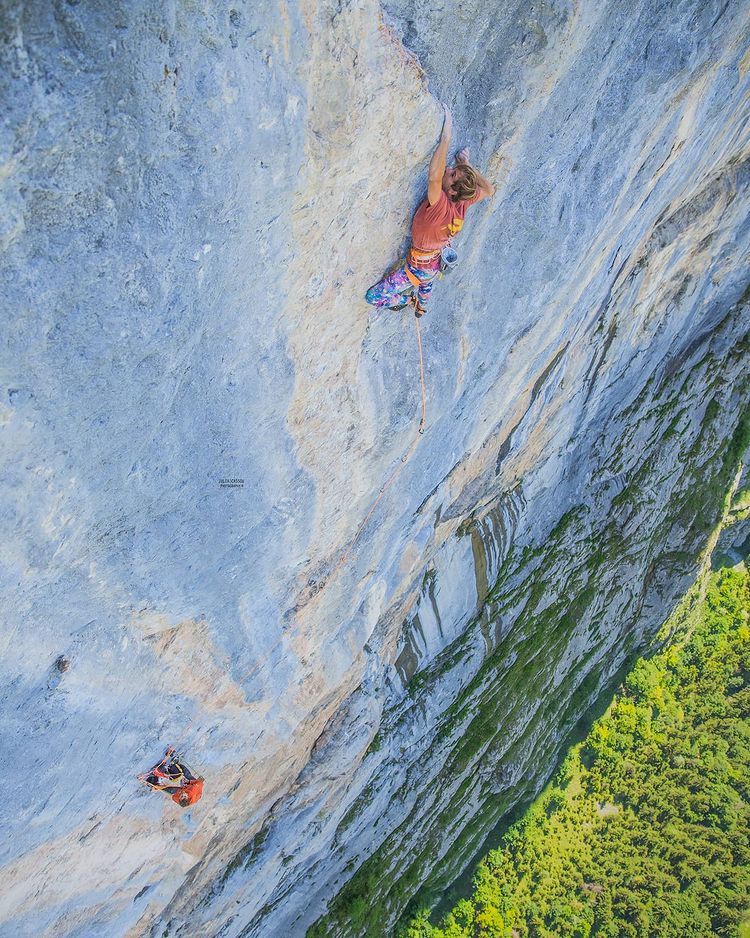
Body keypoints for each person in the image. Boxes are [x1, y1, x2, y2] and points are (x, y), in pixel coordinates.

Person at [365, 104, 495, 317]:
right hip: (433, 266)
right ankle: (421, 304)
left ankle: (408, 300)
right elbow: (489, 190)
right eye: (453, 170)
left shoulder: (440, 204)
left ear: (452, 191)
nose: (449, 169)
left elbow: (434, 176)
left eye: (452, 174)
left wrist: (445, 138)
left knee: (374, 297)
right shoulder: (462, 203)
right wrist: (466, 164)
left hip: (419, 269)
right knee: (424, 296)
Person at [138, 746, 204, 807]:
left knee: (169, 789)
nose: (182, 795)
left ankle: (153, 781)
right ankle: (174, 764)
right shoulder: (194, 789)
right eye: (183, 796)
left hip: (186, 789)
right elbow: (200, 783)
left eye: (181, 796)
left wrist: (156, 788)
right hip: (194, 784)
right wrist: (188, 781)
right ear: (187, 797)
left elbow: (170, 793)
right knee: (185, 774)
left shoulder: (177, 799)